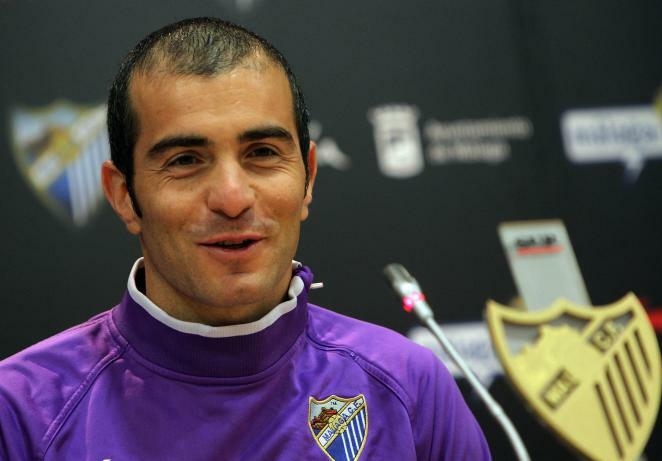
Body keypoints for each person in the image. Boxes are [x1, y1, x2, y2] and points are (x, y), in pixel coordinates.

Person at [0, 17, 491, 460]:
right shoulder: (21, 410)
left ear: (308, 177)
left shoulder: (408, 386)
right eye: (185, 160)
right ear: (124, 195)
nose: (232, 198)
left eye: (262, 153)